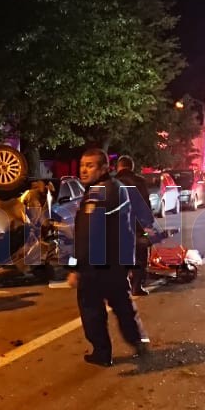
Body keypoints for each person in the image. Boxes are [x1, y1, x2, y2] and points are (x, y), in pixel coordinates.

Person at [69, 148, 156, 366]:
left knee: (91, 309)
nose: (84, 170)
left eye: (90, 166)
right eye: (82, 165)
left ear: (103, 168)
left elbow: (86, 234)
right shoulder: (117, 187)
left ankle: (102, 352)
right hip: (117, 262)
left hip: (96, 265)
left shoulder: (99, 193)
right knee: (123, 305)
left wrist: (75, 266)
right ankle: (138, 340)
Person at [113, 155, 152, 296]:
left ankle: (120, 287)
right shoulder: (140, 182)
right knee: (140, 256)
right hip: (137, 226)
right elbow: (145, 205)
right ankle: (136, 286)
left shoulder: (112, 182)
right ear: (132, 167)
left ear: (118, 167)